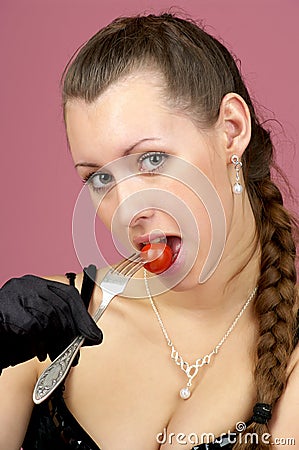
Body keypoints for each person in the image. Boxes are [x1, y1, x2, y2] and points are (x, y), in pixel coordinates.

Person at [0, 12, 298, 450]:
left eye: (151, 159)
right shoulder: (45, 332)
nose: (127, 211)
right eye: (99, 178)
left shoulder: (290, 361)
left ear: (231, 130)